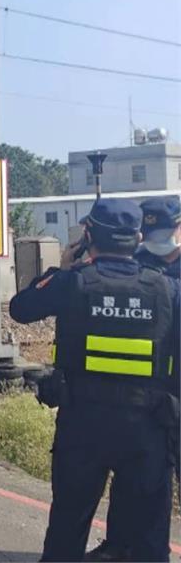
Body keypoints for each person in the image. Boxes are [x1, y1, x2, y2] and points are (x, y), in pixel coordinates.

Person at [9, 198, 179, 562]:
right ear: (137, 237)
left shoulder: (72, 283)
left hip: (82, 425)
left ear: (88, 235)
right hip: (148, 428)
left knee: (68, 525)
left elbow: (20, 308)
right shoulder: (167, 290)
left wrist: (61, 268)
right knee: (150, 537)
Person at [87, 195, 181, 561]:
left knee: (160, 481)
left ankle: (150, 552)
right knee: (130, 473)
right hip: (139, 390)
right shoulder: (134, 263)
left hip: (172, 388)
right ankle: (120, 545)